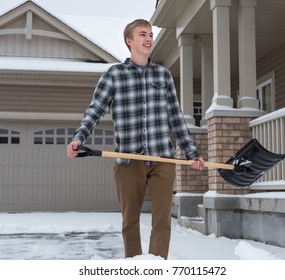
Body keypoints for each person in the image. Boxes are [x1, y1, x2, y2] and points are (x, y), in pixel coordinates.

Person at [67, 19, 205, 259]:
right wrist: (80, 136)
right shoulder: (114, 75)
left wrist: (191, 153)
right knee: (129, 221)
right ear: (129, 41)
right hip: (128, 160)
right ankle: (133, 267)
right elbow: (95, 110)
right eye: (142, 34)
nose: (149, 38)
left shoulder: (163, 75)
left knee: (162, 222)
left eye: (151, 34)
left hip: (163, 158)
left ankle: (156, 268)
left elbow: (175, 117)